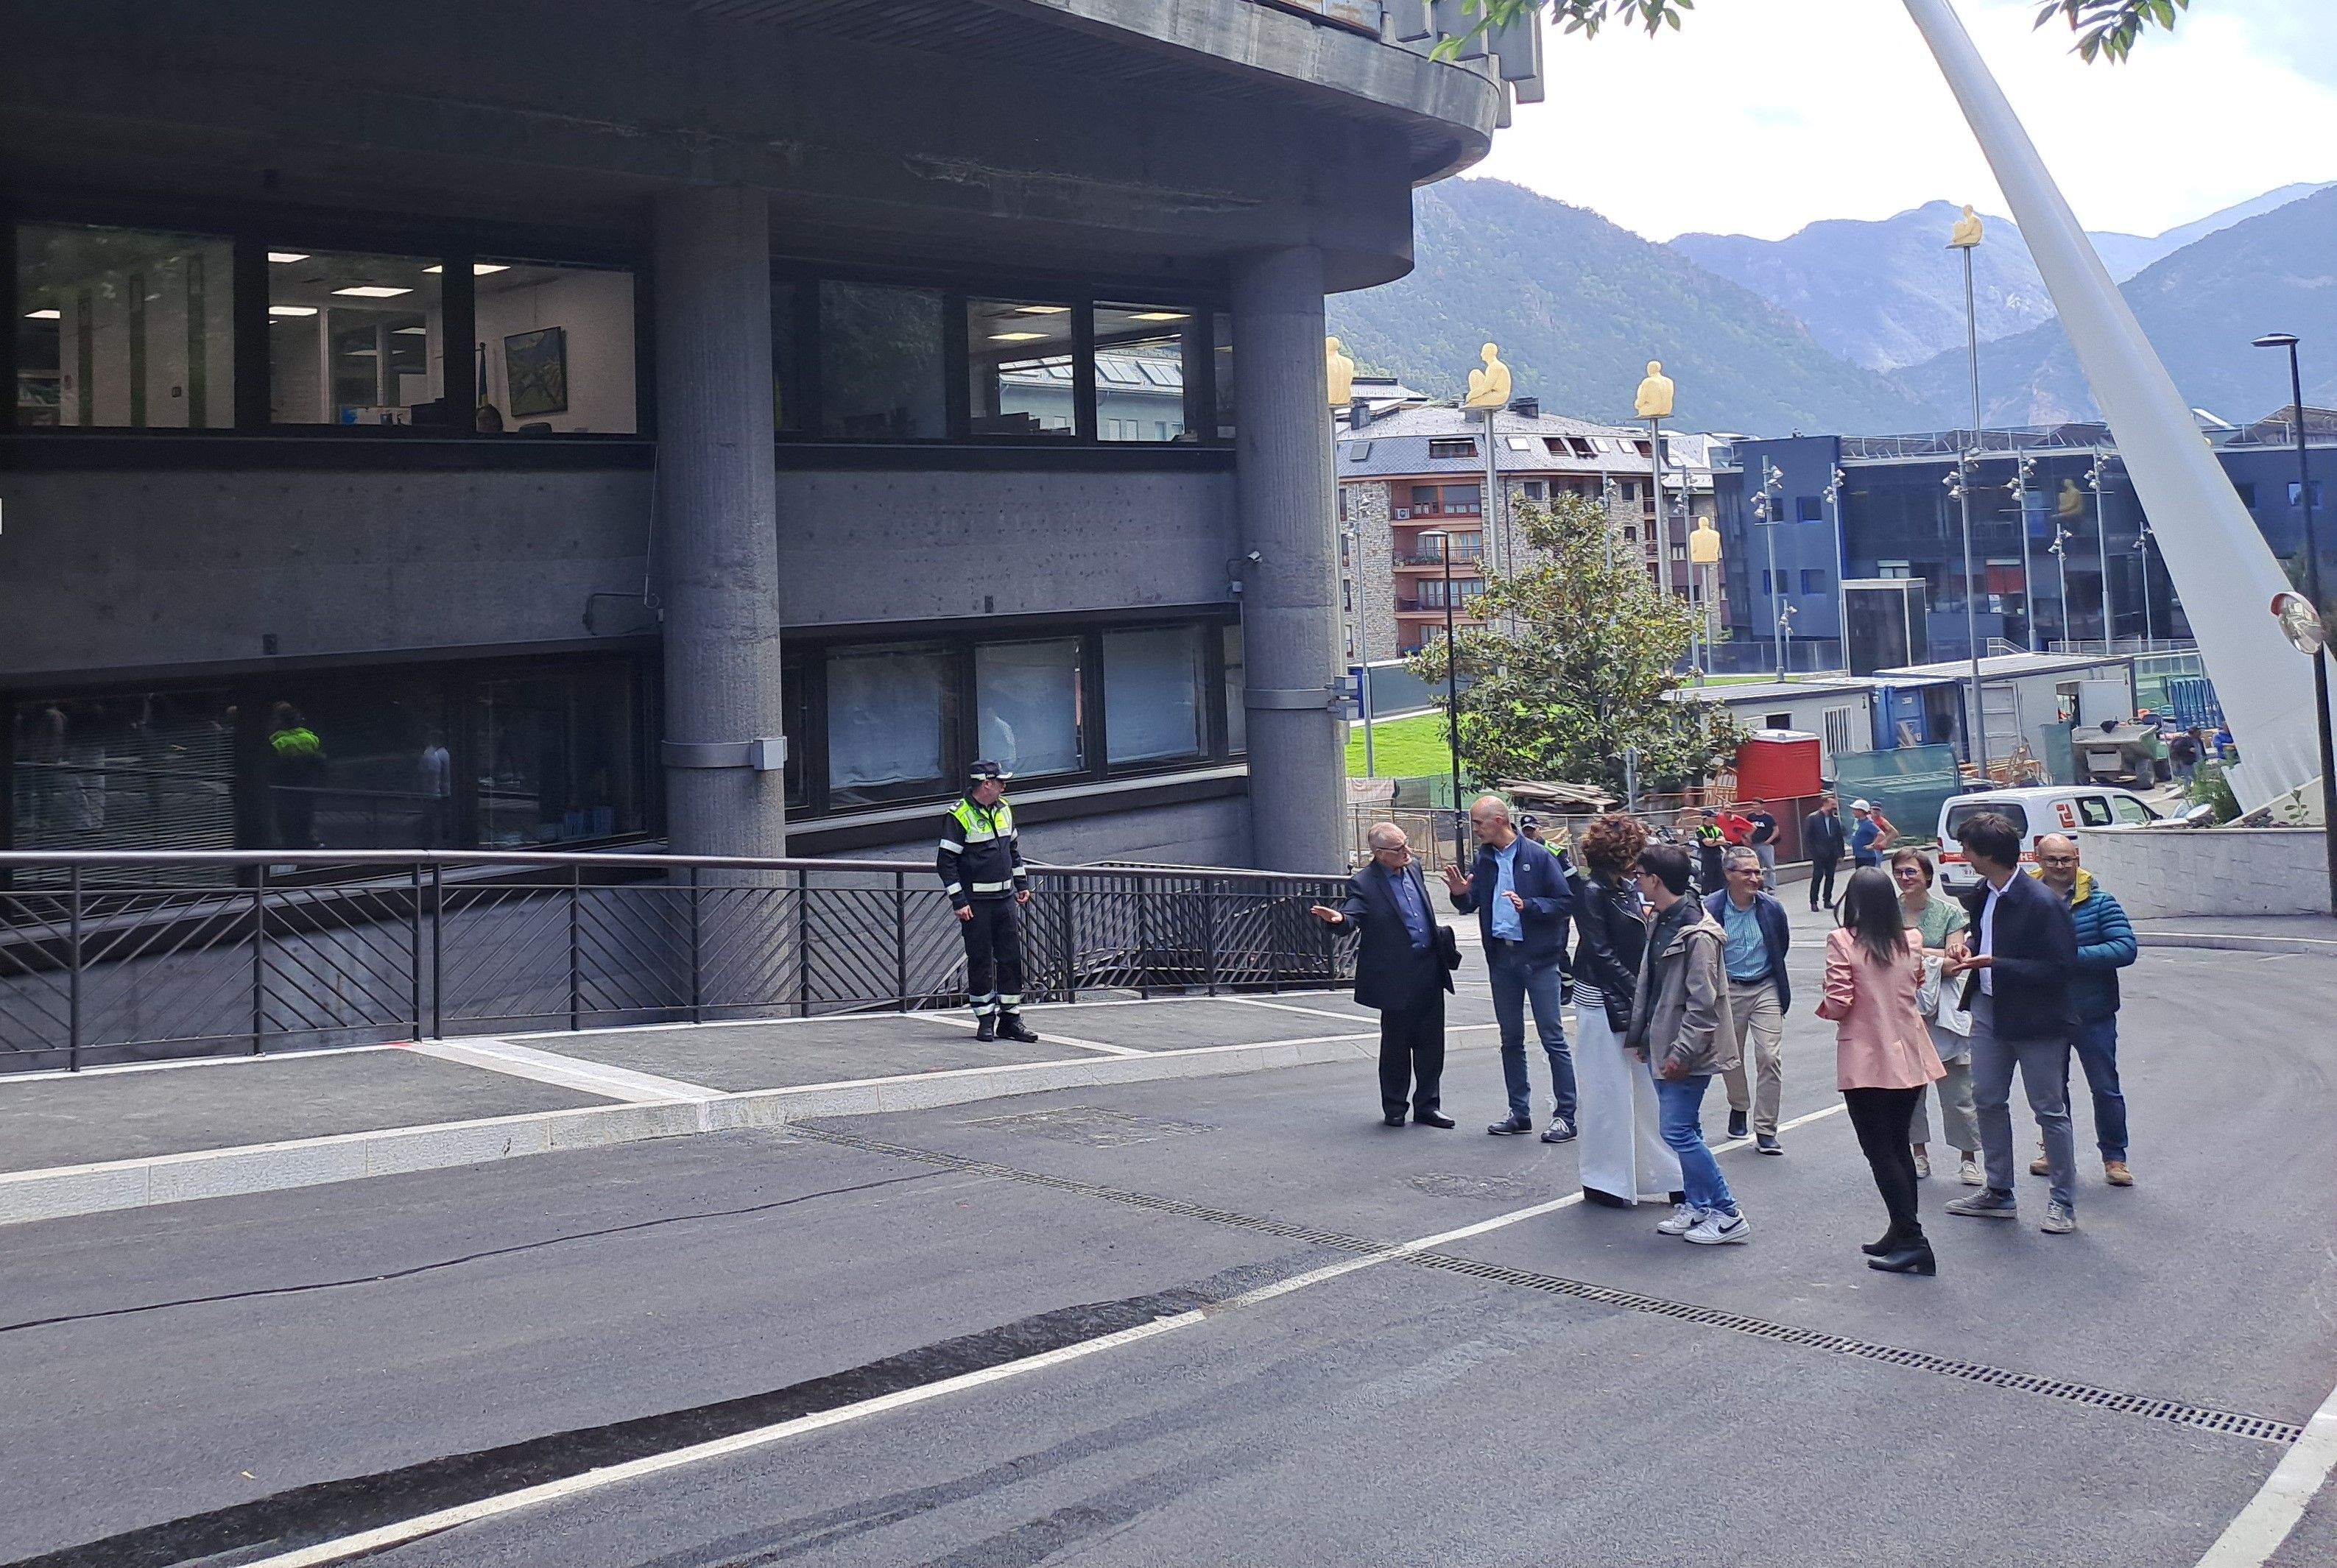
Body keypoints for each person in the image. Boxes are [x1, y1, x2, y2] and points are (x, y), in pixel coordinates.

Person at [1942, 811, 2082, 1235]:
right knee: (1986, 1097)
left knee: (2048, 1109)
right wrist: (1967, 948)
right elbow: (1981, 936)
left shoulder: (2042, 902)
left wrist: (1997, 963)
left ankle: (2063, 1202)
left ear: (1987, 854)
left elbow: (2061, 968)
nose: (1963, 855)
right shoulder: (1983, 893)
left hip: (2037, 1020)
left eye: (1968, 849)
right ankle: (1999, 1191)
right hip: (1988, 1009)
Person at [1819, 867, 1947, 1276]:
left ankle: (1913, 1239)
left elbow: (1839, 1001)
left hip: (1866, 1057)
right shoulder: (1911, 939)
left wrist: (1825, 1010)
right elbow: (1919, 981)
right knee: (1897, 1145)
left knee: (1880, 1151)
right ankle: (1901, 1228)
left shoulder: (1843, 941)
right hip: (1910, 1054)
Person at [1627, 841, 1750, 1246]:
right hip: (1664, 1045)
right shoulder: (1662, 919)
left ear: (1656, 880)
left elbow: (1703, 1004)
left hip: (1686, 1051)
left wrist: (1679, 1053)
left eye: (1641, 876)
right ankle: (1699, 1205)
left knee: (1678, 1131)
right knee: (1685, 1127)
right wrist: (1645, 1037)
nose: (1637, 882)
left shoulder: (1698, 933)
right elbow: (1657, 988)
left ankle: (1728, 1211)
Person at [1444, 796, 1577, 1141]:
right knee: (1510, 1038)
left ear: (1500, 820)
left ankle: (1566, 1115)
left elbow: (1564, 902)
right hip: (1502, 960)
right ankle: (1519, 1112)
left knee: (1553, 1037)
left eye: (1478, 823)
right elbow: (1472, 902)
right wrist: (1460, 894)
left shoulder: (1539, 856)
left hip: (1538, 960)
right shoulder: (1485, 859)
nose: (1474, 830)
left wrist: (1529, 905)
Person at [1569, 815, 1682, 1209]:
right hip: (1601, 998)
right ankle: (1607, 1179)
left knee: (1641, 1092)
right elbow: (1599, 953)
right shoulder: (1594, 891)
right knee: (1607, 1092)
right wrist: (1640, 991)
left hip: (1619, 995)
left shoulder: (1620, 889)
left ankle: (1653, 1174)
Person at [1311, 823, 1456, 1128]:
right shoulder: (1364, 883)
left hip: (1429, 968)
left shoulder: (1413, 869)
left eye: (1406, 844)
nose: (1408, 852)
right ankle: (1394, 1107)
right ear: (1379, 854)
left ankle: (1428, 1105)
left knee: (1432, 1044)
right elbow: (1352, 915)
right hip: (1396, 975)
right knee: (1396, 1044)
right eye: (1399, 849)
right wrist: (1338, 920)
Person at [2032, 834, 2138, 1187]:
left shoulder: (2101, 901)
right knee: (2051, 1090)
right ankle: (2053, 1151)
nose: (2060, 867)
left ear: (2077, 857)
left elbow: (2125, 949)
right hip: (2045, 1013)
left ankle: (2115, 1158)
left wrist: (2071, 957)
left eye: (2066, 859)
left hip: (2094, 1013)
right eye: (2053, 860)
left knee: (2105, 1088)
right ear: (2038, 859)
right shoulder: (2027, 900)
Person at [1894, 847, 1981, 1186]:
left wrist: (1911, 953)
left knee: (1958, 1091)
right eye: (1900, 872)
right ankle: (1918, 1155)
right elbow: (1881, 956)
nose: (1905, 877)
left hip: (1944, 1012)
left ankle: (1968, 1158)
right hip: (1904, 1009)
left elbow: (1954, 963)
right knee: (1911, 1089)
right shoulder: (1888, 914)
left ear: (1927, 876)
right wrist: (1934, 956)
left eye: (1912, 871)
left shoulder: (1949, 914)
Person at [937, 761, 1039, 1044]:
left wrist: (1022, 885)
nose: (1005, 787)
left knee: (1011, 959)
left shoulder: (1005, 808)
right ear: (986, 784)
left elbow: (1014, 851)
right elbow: (946, 864)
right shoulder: (959, 815)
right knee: (980, 960)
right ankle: (985, 1020)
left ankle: (1011, 1020)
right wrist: (959, 901)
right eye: (1000, 782)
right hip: (976, 905)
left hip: (1005, 899)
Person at [1707, 845, 1792, 1153]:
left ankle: (1767, 1129)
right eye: (1747, 872)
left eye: (1758, 872)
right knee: (1731, 1058)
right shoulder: (1711, 909)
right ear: (1729, 875)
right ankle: (1739, 1105)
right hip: (1727, 989)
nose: (1755, 878)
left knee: (1770, 1056)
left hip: (1765, 986)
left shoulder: (1771, 908)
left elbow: (1780, 946)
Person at [1804, 794, 1847, 911]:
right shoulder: (1813, 818)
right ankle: (1814, 902)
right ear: (1825, 804)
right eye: (1832, 804)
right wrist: (1813, 853)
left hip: (1832, 854)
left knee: (1830, 877)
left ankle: (1827, 900)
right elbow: (1808, 838)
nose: (1834, 807)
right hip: (1819, 854)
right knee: (1817, 877)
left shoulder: (1834, 820)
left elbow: (1839, 838)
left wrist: (1841, 854)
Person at [1744, 799, 1780, 889]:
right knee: (1756, 867)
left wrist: (1769, 840)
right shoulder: (1750, 816)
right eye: (1753, 805)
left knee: (1769, 866)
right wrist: (1748, 839)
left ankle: (1770, 886)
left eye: (1756, 805)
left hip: (1766, 845)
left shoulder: (1768, 817)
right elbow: (1746, 828)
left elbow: (1776, 830)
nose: (1754, 807)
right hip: (1754, 845)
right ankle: (1758, 886)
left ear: (1761, 805)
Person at [1849, 798, 1895, 869]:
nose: (1853, 812)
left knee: (1870, 876)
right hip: (1859, 856)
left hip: (1867, 857)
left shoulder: (1868, 823)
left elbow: (1881, 834)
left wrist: (1873, 845)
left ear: (1861, 811)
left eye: (1855, 810)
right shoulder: (1858, 822)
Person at [1693, 808, 1727, 897]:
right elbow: (1706, 842)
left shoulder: (1717, 829)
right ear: (1706, 818)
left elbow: (1723, 841)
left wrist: (1713, 841)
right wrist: (1716, 841)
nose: (1715, 818)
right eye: (1713, 816)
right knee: (1707, 877)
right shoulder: (1700, 829)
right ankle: (1704, 896)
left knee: (1719, 877)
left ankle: (1718, 895)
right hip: (1707, 857)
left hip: (1718, 857)